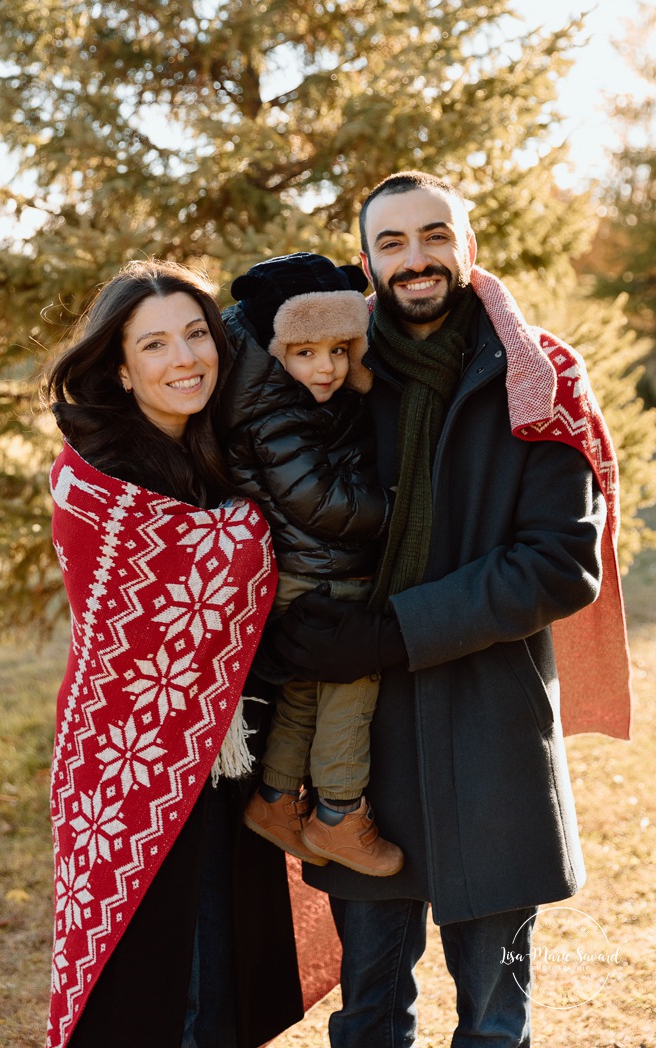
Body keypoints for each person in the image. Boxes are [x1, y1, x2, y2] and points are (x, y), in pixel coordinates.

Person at [269, 173, 632, 1047]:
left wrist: (394, 629)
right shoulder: (329, 379)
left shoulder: (536, 377)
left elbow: (558, 564)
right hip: (361, 749)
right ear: (365, 263)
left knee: (492, 1022)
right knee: (368, 1016)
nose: (415, 258)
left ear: (467, 248)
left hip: (487, 732)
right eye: (391, 244)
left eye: (434, 236)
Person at [42, 259, 310, 1048]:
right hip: (131, 757)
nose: (184, 358)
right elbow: (210, 563)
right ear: (120, 371)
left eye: (197, 335)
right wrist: (244, 532)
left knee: (220, 967)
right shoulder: (94, 475)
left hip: (223, 753)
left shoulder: (218, 452)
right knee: (154, 980)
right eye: (154, 345)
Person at [217, 252, 403, 877]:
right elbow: (318, 500)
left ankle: (274, 799)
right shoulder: (275, 414)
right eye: (304, 352)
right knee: (353, 686)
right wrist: (400, 507)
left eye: (340, 350)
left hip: (304, 569)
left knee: (303, 696)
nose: (325, 367)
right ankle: (339, 814)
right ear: (274, 350)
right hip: (325, 572)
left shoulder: (292, 398)